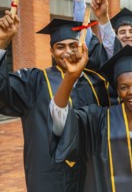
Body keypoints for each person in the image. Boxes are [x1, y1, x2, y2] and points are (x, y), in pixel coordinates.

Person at [0, 13, 109, 192]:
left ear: (82, 46)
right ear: (51, 51)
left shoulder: (98, 83)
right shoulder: (34, 81)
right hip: (48, 177)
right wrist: (2, 42)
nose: (67, 52)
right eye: (60, 47)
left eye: (73, 45)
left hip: (89, 176)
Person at [49, 45, 132, 191]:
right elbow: (60, 117)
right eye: (124, 87)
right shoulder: (97, 120)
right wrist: (70, 77)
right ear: (117, 91)